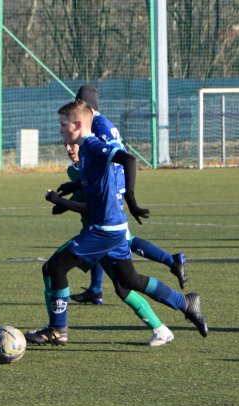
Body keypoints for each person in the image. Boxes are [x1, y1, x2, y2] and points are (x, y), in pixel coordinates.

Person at [25, 99, 208, 346]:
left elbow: (129, 160)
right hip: (113, 230)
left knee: (54, 268)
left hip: (105, 230)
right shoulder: (86, 152)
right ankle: (184, 302)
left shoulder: (91, 146)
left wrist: (131, 199)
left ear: (77, 124)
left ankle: (58, 330)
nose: (60, 129)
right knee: (129, 282)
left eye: (62, 124)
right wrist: (74, 186)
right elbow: (98, 182)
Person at [42, 137, 174, 346]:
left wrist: (62, 202)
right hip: (93, 235)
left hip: (102, 235)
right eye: (65, 145)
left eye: (72, 145)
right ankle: (161, 327)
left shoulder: (97, 164)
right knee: (121, 285)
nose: (68, 149)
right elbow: (81, 198)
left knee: (55, 268)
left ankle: (56, 329)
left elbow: (93, 208)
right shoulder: (75, 169)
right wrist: (64, 201)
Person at [70, 84, 186, 305]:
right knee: (98, 234)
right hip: (109, 186)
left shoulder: (99, 125)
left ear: (88, 107)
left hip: (112, 187)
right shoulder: (98, 123)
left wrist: (124, 194)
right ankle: (95, 290)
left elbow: (121, 158)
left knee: (115, 239)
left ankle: (172, 263)